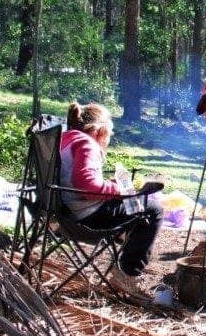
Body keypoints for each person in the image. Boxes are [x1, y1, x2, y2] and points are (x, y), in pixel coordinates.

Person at [60, 102, 162, 296]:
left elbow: (77, 178)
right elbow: (86, 187)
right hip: (89, 216)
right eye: (110, 133)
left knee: (139, 206)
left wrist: (108, 184)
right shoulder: (87, 144)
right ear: (101, 130)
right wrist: (120, 190)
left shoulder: (66, 138)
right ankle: (127, 274)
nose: (110, 137)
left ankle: (127, 239)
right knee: (153, 208)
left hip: (65, 211)